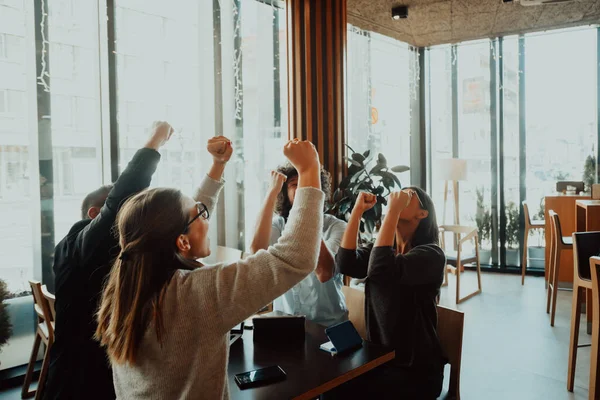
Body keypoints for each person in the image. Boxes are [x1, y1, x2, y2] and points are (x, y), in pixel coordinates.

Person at [95, 139, 325, 399]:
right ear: (181, 241)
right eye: (201, 214)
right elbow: (295, 258)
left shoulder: (126, 287)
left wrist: (217, 166)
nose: (207, 218)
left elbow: (181, 219)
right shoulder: (196, 292)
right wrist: (309, 170)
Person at [44, 121, 233, 400]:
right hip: (82, 385)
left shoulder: (133, 250)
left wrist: (217, 166)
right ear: (95, 214)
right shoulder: (77, 247)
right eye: (125, 213)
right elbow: (120, 200)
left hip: (120, 380)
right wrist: (154, 141)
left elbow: (188, 219)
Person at [329, 188, 447, 400]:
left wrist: (392, 211)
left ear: (422, 214)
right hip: (381, 360)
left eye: (409, 195)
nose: (399, 195)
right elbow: (345, 263)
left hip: (416, 372)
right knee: (330, 388)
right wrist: (357, 211)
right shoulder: (383, 250)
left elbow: (381, 269)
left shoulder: (432, 255)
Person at [249, 164, 348, 327]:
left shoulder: (337, 227)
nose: (303, 190)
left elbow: (324, 273)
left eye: (308, 185)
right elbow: (256, 253)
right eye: (295, 184)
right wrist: (271, 193)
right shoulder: (279, 225)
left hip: (330, 325)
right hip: (286, 324)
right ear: (285, 192)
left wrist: (308, 213)